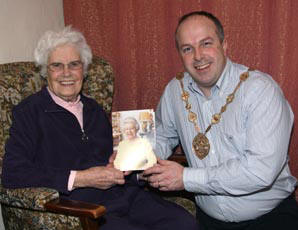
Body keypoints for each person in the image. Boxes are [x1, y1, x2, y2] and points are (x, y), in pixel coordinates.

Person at [1, 26, 198, 230]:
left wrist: (138, 167)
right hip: (84, 208)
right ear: (45, 71)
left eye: (74, 64)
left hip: (126, 197)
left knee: (185, 224)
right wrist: (81, 178)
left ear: (83, 70)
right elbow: (13, 172)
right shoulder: (29, 113)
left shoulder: (93, 108)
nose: (66, 73)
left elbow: (114, 162)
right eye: (57, 65)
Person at [144, 11, 298, 230]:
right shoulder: (174, 91)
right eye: (187, 49)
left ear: (224, 45)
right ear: (180, 54)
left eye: (206, 43)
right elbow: (164, 136)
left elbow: (260, 170)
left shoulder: (260, 90)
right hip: (209, 222)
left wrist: (186, 178)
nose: (198, 56)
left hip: (271, 219)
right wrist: (140, 155)